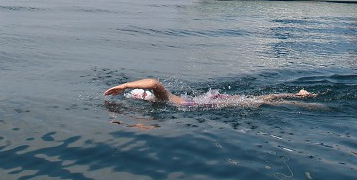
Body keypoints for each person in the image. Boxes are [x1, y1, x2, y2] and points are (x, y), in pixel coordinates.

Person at [104, 78, 316, 107]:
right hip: (208, 100)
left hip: (208, 103)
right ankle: (299, 95)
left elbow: (153, 82)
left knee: (259, 103)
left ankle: (301, 100)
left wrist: (124, 86)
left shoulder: (164, 99)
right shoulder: (167, 100)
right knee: (258, 99)